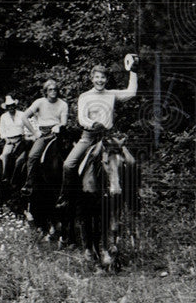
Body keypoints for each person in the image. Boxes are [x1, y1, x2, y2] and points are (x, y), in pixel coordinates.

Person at [55, 55, 138, 208]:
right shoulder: (85, 96)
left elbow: (131, 92)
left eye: (103, 77)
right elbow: (81, 119)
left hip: (108, 137)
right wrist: (93, 123)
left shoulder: (111, 94)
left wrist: (133, 71)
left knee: (131, 161)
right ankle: (66, 197)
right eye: (97, 77)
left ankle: (133, 198)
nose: (100, 80)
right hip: (88, 136)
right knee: (68, 164)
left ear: (106, 79)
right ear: (92, 79)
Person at [20, 80, 68, 195]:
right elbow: (24, 117)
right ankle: (29, 185)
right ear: (45, 91)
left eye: (55, 89)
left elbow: (64, 122)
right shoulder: (39, 102)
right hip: (43, 134)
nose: (53, 92)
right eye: (50, 90)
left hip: (58, 133)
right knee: (32, 156)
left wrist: (59, 126)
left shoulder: (63, 104)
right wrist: (35, 132)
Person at [0, 96, 34, 181]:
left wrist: (26, 136)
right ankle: (5, 175)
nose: (11, 108)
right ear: (7, 108)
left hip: (21, 139)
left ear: (15, 105)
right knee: (5, 154)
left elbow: (26, 126)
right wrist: (7, 139)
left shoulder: (21, 114)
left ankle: (22, 177)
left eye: (12, 105)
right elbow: (1, 130)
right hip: (9, 140)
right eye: (9, 106)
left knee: (24, 156)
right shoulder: (3, 117)